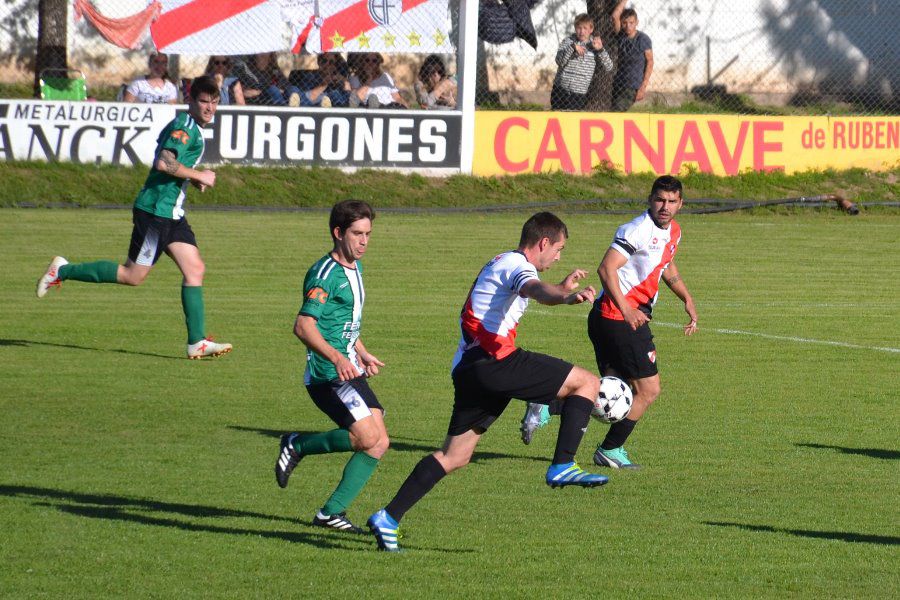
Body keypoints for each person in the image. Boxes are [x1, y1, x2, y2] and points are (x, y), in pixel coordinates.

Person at [367, 212, 608, 552]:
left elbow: (534, 290)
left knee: (455, 455)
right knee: (587, 383)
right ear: (543, 243)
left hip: (470, 369)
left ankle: (388, 517)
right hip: (494, 362)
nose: (559, 257)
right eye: (559, 249)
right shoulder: (516, 265)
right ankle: (563, 464)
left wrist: (559, 291)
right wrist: (564, 296)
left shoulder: (500, 262)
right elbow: (534, 288)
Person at [36, 75, 233, 360]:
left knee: (195, 270)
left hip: (171, 214)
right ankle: (61, 271)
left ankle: (196, 342)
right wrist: (198, 174)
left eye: (214, 102)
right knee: (132, 275)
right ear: (191, 100)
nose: (210, 108)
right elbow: (163, 162)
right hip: (155, 212)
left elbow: (165, 155)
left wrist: (192, 178)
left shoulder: (188, 126)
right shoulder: (185, 128)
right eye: (204, 102)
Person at [520, 176, 698, 469]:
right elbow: (607, 268)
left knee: (614, 391)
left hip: (612, 318)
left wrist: (686, 298)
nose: (664, 207)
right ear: (649, 199)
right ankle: (610, 449)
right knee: (648, 390)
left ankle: (548, 406)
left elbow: (665, 265)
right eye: (659, 200)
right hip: (619, 319)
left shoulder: (674, 231)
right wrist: (627, 310)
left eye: (671, 201)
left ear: (681, 204)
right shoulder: (637, 229)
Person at [274, 200, 389, 533]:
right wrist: (338, 357)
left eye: (368, 234)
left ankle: (330, 512)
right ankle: (296, 444)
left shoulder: (355, 267)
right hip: (329, 374)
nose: (364, 241)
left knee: (380, 442)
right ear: (338, 233)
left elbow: (344, 322)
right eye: (357, 233)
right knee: (368, 437)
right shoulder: (325, 274)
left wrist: (360, 351)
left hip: (351, 366)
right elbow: (304, 325)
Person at [550, 13, 613, 111]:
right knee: (557, 117)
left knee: (573, 121)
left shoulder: (595, 44)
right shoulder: (568, 41)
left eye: (585, 28)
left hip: (578, 93)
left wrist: (600, 50)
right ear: (575, 28)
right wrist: (572, 48)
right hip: (560, 89)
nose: (582, 31)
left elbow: (609, 66)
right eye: (579, 28)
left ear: (591, 29)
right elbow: (559, 61)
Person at [611, 7, 653, 112]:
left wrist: (643, 88)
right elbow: (615, 16)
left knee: (616, 111)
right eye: (624, 23)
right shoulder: (621, 36)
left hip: (632, 86)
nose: (628, 26)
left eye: (631, 22)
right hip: (617, 83)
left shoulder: (642, 39)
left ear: (637, 22)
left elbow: (650, 62)